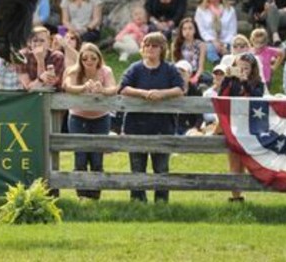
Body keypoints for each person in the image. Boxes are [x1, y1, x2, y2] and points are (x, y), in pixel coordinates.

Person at [119, 32, 184, 203]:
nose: (150, 48)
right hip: (136, 126)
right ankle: (138, 202)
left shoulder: (169, 69)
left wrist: (162, 94)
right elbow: (124, 87)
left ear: (162, 48)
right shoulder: (135, 68)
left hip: (163, 126)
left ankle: (161, 203)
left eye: (154, 45)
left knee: (161, 167)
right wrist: (143, 93)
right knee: (137, 167)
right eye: (147, 45)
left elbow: (180, 88)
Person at [62, 43, 117, 200]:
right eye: (85, 58)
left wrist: (102, 90)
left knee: (96, 158)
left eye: (93, 58)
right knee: (80, 157)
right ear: (80, 59)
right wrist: (83, 88)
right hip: (78, 118)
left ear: (99, 58)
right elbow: (67, 86)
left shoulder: (106, 71)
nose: (89, 61)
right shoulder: (74, 70)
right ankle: (81, 195)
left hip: (101, 118)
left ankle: (94, 196)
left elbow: (113, 88)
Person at [219, 53, 266, 203]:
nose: (242, 70)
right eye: (240, 67)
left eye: (246, 68)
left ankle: (244, 190)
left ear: (252, 70)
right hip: (233, 125)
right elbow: (221, 97)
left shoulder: (258, 83)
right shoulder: (231, 81)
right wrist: (227, 78)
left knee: (246, 161)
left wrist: (246, 83)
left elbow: (257, 98)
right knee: (234, 162)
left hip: (250, 127)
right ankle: (236, 197)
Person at [194, 0, 237, 64]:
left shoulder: (230, 10)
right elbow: (201, 30)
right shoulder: (201, 10)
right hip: (209, 41)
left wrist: (224, 44)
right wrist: (213, 41)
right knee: (210, 48)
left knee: (232, 48)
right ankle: (217, 63)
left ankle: (227, 60)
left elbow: (232, 31)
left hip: (226, 40)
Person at [18, 26, 64, 91]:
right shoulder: (23, 56)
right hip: (29, 97)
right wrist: (41, 78)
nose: (38, 44)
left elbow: (47, 87)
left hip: (53, 95)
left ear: (49, 42)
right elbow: (28, 87)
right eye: (35, 40)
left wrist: (40, 60)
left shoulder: (57, 56)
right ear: (30, 43)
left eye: (42, 41)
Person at [171, 17, 208, 86]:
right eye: (184, 29)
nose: (187, 31)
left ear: (195, 30)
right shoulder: (175, 45)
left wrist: (195, 78)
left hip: (194, 73)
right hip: (180, 73)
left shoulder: (201, 45)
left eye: (190, 28)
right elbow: (174, 64)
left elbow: (200, 67)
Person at [173, 60, 203, 135]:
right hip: (172, 127)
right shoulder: (169, 88)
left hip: (188, 126)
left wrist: (195, 128)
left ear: (189, 74)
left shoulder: (195, 91)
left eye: (183, 73)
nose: (180, 76)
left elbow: (200, 115)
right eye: (177, 73)